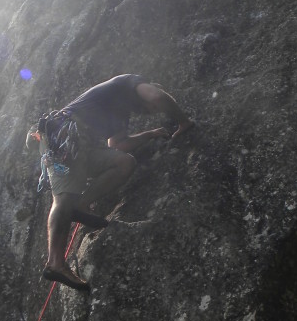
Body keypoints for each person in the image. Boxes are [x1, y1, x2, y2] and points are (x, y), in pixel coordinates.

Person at [27, 74, 193, 292]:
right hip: (63, 132)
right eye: (150, 108)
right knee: (64, 197)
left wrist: (150, 134)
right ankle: (55, 263)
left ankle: (82, 204)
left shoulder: (120, 114)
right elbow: (157, 96)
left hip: (84, 148)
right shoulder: (127, 82)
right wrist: (184, 121)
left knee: (124, 163)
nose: (150, 110)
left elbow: (119, 145)